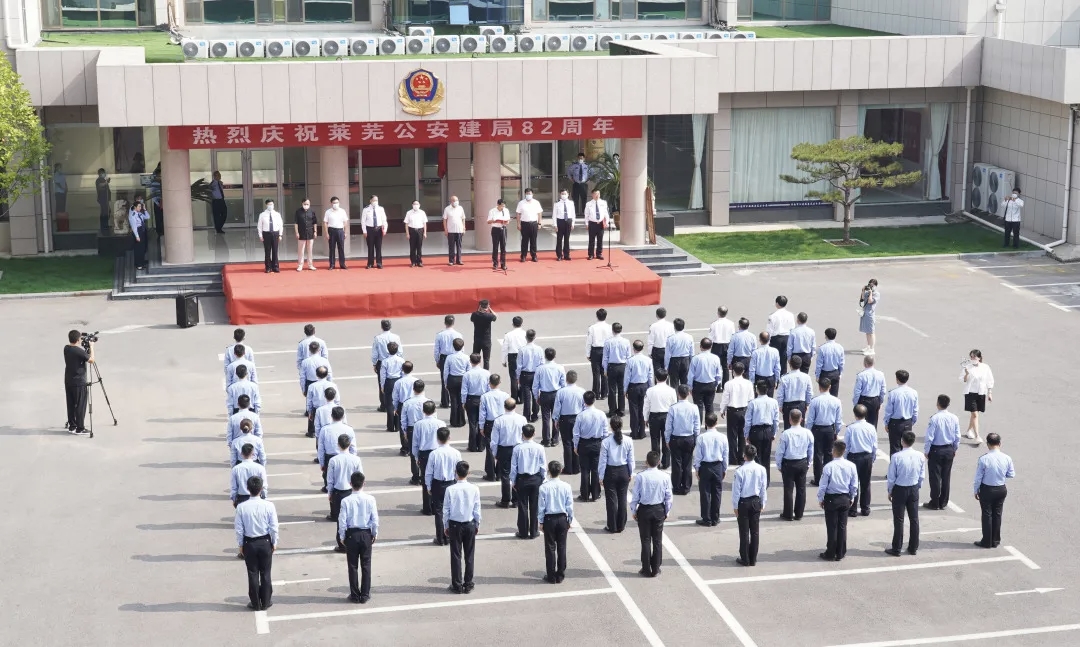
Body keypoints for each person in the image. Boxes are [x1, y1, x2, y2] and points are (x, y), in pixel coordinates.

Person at [234, 476, 278, 611]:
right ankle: (266, 601)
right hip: (265, 541)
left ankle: (255, 602)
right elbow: (274, 526)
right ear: (261, 488)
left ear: (248, 489)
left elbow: (239, 529)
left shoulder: (241, 507)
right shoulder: (269, 505)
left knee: (252, 573)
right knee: (266, 573)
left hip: (249, 542)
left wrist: (240, 544)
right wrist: (274, 542)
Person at [630, 451, 673, 577]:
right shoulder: (665, 477)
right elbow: (668, 497)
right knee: (658, 540)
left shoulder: (640, 476)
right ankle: (656, 568)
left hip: (644, 510)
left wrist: (633, 510)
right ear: (659, 462)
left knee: (645, 540)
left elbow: (635, 496)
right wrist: (667, 511)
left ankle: (645, 568)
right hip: (659, 509)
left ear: (646, 462)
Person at [338, 471, 378, 604]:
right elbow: (375, 519)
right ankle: (365, 594)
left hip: (351, 534)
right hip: (366, 533)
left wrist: (342, 536)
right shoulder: (370, 499)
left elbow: (342, 521)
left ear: (350, 484)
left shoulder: (345, 501)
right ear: (363, 483)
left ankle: (355, 594)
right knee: (366, 565)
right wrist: (374, 533)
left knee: (352, 565)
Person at [817, 441, 859, 561]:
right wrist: (852, 497)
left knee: (832, 527)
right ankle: (841, 552)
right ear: (844, 451)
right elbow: (854, 484)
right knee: (842, 526)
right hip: (845, 497)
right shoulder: (851, 466)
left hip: (831, 499)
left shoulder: (828, 467)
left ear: (833, 451)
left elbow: (823, 486)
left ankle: (830, 552)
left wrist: (820, 499)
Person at [443, 461, 481, 594]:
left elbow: (446, 510)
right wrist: (477, 523)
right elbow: (477, 508)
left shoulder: (450, 489)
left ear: (455, 473)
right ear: (468, 473)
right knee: (469, 555)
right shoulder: (474, 488)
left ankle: (457, 584)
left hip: (454, 524)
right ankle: (468, 583)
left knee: (456, 555)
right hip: (469, 523)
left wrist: (446, 525)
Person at [885, 430, 924, 556]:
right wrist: (917, 486)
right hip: (913, 488)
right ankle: (913, 547)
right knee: (914, 519)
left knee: (899, 519)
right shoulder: (920, 455)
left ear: (902, 441)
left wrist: (890, 491)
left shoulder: (896, 457)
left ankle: (897, 548)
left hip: (900, 489)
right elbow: (921, 475)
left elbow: (891, 477)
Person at [974, 433, 1015, 548]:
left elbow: (978, 478)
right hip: (1001, 489)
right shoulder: (1007, 458)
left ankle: (986, 541)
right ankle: (995, 540)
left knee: (987, 515)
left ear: (987, 444)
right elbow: (1011, 474)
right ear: (1000, 444)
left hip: (987, 489)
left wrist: (976, 490)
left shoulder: (984, 458)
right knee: (997, 514)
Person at [537, 460, 574, 583]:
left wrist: (541, 522)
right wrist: (570, 520)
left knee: (550, 548)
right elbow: (570, 505)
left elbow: (541, 507)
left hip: (549, 519)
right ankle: (561, 573)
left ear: (549, 471)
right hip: (562, 518)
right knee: (562, 546)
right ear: (561, 471)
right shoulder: (566, 486)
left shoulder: (543, 488)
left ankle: (551, 575)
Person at [426, 427, 463, 545]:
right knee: (451, 511)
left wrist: (428, 486)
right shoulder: (456, 453)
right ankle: (451, 536)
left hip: (438, 484)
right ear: (449, 438)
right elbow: (460, 470)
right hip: (452, 482)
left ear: (437, 439)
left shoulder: (434, 454)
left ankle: (441, 538)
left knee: (439, 512)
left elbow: (429, 472)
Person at [732, 445, 767, 566]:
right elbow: (763, 488)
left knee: (744, 532)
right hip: (756, 501)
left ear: (744, 455)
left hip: (744, 502)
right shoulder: (761, 469)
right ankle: (753, 558)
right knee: (755, 531)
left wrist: (735, 506)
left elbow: (736, 491)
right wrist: (763, 502)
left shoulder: (740, 470)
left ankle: (745, 558)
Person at [775, 409, 813, 521]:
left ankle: (788, 514)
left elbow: (780, 452)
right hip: (802, 462)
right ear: (801, 419)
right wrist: (809, 463)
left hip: (789, 463)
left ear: (790, 419)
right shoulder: (808, 433)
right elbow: (811, 450)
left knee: (788, 489)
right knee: (801, 489)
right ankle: (799, 513)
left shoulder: (786, 434)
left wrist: (779, 465)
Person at [924, 394, 960, 511]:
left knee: (935, 477)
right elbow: (957, 436)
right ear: (948, 404)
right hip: (949, 449)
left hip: (936, 449)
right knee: (946, 476)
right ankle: (943, 502)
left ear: (937, 404)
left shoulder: (934, 418)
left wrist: (927, 450)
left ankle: (935, 502)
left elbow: (929, 436)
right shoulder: (954, 418)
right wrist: (954, 448)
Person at [510, 424, 546, 539]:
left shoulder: (517, 448)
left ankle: (523, 532)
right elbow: (543, 465)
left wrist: (513, 481)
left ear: (522, 434)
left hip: (522, 479)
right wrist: (543, 479)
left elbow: (514, 467)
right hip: (536, 478)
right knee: (535, 505)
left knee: (523, 506)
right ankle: (534, 531)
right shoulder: (540, 448)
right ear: (534, 434)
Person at [599, 417, 634, 533]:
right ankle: (621, 525)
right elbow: (631, 459)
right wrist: (631, 472)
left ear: (611, 427)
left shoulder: (606, 442)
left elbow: (603, 461)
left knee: (611, 500)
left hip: (610, 472)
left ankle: (612, 525)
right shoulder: (628, 441)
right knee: (622, 499)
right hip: (623, 470)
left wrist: (601, 476)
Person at [694, 413, 729, 526]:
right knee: (717, 492)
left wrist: (697, 468)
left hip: (705, 466)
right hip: (718, 466)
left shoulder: (701, 438)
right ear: (716, 423)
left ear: (705, 423)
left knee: (705, 493)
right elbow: (725, 455)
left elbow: (698, 456)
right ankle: (715, 517)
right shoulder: (723, 437)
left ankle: (706, 518)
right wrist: (725, 468)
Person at [806, 377, 843, 486]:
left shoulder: (815, 401)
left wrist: (808, 432)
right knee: (829, 454)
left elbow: (811, 419)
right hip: (830, 429)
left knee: (817, 455)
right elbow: (838, 420)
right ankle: (829, 478)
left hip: (817, 429)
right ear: (830, 387)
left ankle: (818, 479)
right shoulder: (836, 401)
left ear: (819, 387)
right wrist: (837, 431)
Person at [573, 391, 609, 502]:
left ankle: (584, 495)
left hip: (584, 443)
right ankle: (595, 493)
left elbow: (576, 433)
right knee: (595, 469)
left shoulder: (580, 415)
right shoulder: (601, 414)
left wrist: (575, 446)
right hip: (597, 443)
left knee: (584, 470)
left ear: (584, 401)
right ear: (594, 400)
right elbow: (605, 432)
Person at [491, 398, 526, 508]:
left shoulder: (499, 421)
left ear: (504, 407)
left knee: (505, 475)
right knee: (518, 473)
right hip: (519, 448)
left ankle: (505, 500)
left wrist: (495, 453)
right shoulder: (522, 419)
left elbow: (494, 441)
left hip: (504, 449)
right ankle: (516, 500)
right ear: (515, 406)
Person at [665, 385, 700, 495]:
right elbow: (697, 425)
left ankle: (676, 486)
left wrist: (667, 439)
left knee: (676, 464)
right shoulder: (694, 407)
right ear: (689, 393)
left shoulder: (673, 408)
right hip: (689, 438)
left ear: (678, 394)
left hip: (676, 438)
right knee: (687, 463)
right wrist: (696, 438)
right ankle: (686, 486)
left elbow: (668, 426)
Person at [843, 404, 877, 517]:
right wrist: (872, 458)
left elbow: (846, 446)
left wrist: (845, 458)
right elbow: (874, 446)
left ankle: (852, 509)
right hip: (867, 457)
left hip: (854, 457)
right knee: (866, 484)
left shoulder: (851, 428)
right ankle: (865, 508)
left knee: (853, 483)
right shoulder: (871, 428)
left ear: (855, 414)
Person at [326, 433, 364, 534]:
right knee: (353, 517)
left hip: (338, 492)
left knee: (340, 519)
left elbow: (330, 479)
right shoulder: (356, 459)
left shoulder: (333, 460)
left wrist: (330, 493)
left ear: (338, 445)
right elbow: (360, 477)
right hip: (352, 490)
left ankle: (341, 542)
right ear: (349, 444)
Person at [744, 380, 780, 485]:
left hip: (756, 431)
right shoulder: (773, 402)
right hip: (768, 430)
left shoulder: (752, 403)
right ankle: (766, 480)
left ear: (757, 390)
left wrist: (746, 434)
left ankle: (757, 480)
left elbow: (748, 421)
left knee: (756, 456)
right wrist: (773, 433)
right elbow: (776, 420)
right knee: (766, 457)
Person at [412, 402, 444, 514]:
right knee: (437, 479)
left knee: (426, 480)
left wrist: (416, 456)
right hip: (438, 452)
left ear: (423, 411)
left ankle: (427, 508)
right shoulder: (441, 423)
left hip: (424, 454)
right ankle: (437, 506)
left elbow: (415, 443)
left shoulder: (418, 424)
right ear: (435, 410)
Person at [553, 370, 587, 475]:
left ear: (566, 379)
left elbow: (557, 408)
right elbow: (584, 407)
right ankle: (577, 467)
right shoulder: (582, 391)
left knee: (567, 443)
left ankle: (568, 468)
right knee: (577, 442)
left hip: (565, 419)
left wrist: (556, 419)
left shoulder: (561, 392)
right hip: (578, 418)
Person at [643, 368, 678, 469]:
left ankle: (655, 462)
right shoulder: (671, 391)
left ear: (655, 378)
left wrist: (645, 418)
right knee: (666, 439)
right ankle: (666, 462)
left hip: (654, 416)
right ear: (667, 377)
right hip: (667, 416)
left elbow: (646, 406)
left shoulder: (650, 390)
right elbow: (674, 406)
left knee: (655, 440)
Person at [719, 362, 752, 466]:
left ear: (733, 371)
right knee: (743, 436)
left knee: (732, 436)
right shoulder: (748, 383)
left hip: (732, 411)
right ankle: (741, 457)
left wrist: (722, 410)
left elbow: (725, 398)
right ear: (743, 371)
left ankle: (733, 458)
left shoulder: (729, 384)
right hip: (744, 410)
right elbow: (751, 399)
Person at [478, 375, 511, 481]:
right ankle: (500, 473)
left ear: (489, 383)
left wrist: (481, 426)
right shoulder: (505, 395)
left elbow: (482, 413)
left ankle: (491, 474)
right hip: (503, 421)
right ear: (499, 382)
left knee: (490, 449)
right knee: (501, 446)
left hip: (490, 423)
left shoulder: (485, 396)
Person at [534, 347, 567, 447]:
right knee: (556, 417)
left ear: (545, 356)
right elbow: (563, 384)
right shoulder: (560, 367)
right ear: (555, 356)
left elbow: (535, 385)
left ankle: (546, 440)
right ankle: (555, 439)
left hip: (544, 394)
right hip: (556, 394)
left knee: (545, 418)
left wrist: (536, 396)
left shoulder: (540, 368)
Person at [318, 407, 355, 491]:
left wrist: (322, 463)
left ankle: (328, 489)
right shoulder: (349, 429)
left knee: (329, 477)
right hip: (346, 454)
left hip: (329, 456)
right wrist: (353, 457)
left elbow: (321, 448)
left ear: (331, 416)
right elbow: (353, 446)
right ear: (343, 416)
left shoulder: (324, 429)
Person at [882, 369, 919, 455]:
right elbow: (915, 410)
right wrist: (911, 422)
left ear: (897, 379)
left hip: (895, 423)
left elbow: (889, 410)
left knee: (895, 448)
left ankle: (895, 467)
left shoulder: (893, 393)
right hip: (907, 422)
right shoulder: (913, 392)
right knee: (906, 447)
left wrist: (886, 423)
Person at [64, 330, 93, 435]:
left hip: (68, 380)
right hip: (79, 382)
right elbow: (91, 360)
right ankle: (80, 428)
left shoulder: (66, 348)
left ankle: (72, 426)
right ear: (77, 340)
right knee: (80, 404)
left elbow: (81, 355)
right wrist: (92, 347)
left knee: (71, 404)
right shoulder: (78, 351)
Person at [962, 350, 994, 442]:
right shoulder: (967, 367)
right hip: (970, 393)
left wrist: (990, 392)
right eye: (971, 357)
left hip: (981, 393)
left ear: (979, 358)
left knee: (974, 415)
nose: (972, 359)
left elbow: (989, 380)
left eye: (974, 357)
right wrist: (967, 374)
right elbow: (963, 379)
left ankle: (968, 431)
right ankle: (977, 436)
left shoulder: (985, 367)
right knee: (975, 414)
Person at [401, 381, 429, 487]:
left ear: (413, 389)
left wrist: (404, 431)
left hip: (412, 428)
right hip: (425, 427)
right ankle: (424, 476)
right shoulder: (428, 401)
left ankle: (416, 477)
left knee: (414, 454)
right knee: (426, 451)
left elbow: (403, 419)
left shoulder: (407, 403)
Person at [624, 341, 654, 440]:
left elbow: (627, 377)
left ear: (634, 348)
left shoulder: (630, 360)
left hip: (633, 387)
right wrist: (651, 388)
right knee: (643, 410)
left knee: (634, 411)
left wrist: (625, 389)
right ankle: (642, 432)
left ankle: (634, 432)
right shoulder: (648, 360)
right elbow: (650, 375)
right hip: (644, 386)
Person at [461, 356, 491, 453]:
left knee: (472, 424)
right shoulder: (486, 373)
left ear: (470, 361)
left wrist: (463, 402)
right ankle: (481, 446)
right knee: (482, 422)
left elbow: (464, 390)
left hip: (471, 399)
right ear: (480, 361)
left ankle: (472, 446)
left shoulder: (467, 374)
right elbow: (489, 388)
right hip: (483, 398)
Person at [689, 338, 723, 420]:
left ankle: (698, 427)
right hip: (711, 384)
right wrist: (716, 384)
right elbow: (719, 374)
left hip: (698, 385)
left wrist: (690, 387)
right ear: (711, 346)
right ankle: (710, 426)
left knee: (698, 407)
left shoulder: (696, 358)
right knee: (709, 406)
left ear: (700, 346)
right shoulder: (715, 358)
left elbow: (691, 374)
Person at [434, 315, 463, 409]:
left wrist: (437, 360)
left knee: (444, 379)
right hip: (455, 356)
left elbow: (436, 350)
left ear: (445, 323)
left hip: (444, 357)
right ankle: (456, 399)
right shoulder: (458, 334)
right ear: (453, 323)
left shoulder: (440, 335)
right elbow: (462, 348)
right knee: (455, 376)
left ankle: (445, 401)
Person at [603, 323, 632, 416]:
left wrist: (605, 369)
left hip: (612, 366)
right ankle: (622, 410)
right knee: (621, 389)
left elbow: (605, 357)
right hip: (623, 366)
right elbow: (629, 357)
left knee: (611, 390)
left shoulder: (608, 342)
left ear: (612, 330)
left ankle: (612, 410)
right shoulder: (626, 341)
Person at [776, 356, 812, 430]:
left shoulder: (784, 378)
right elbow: (809, 393)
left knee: (788, 428)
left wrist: (780, 406)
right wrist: (807, 404)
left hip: (788, 405)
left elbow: (780, 394)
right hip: (801, 404)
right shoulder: (806, 377)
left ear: (790, 364)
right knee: (800, 427)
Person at [586, 310, 614, 401]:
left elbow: (589, 342)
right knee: (605, 373)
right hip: (606, 350)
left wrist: (588, 353)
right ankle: (604, 393)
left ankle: (596, 394)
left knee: (596, 373)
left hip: (595, 351)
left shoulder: (592, 328)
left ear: (597, 316)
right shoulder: (610, 327)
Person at [516, 330, 544, 423]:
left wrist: (517, 377)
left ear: (526, 337)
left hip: (525, 374)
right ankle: (535, 414)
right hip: (536, 374)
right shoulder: (539, 349)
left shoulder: (522, 350)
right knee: (536, 395)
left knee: (526, 397)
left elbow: (519, 365)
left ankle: (526, 416)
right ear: (534, 337)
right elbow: (542, 363)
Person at [443, 338, 470, 428]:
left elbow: (446, 371)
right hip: (462, 379)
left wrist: (446, 383)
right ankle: (461, 420)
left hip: (452, 379)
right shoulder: (466, 357)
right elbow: (468, 370)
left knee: (453, 401)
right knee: (461, 400)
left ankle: (454, 421)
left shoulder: (449, 357)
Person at [853, 355, 887, 429]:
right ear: (874, 363)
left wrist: (855, 404)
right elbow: (883, 390)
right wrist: (880, 401)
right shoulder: (880, 374)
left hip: (864, 400)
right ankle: (872, 438)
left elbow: (857, 391)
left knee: (862, 422)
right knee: (873, 423)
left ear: (864, 363)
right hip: (875, 399)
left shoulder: (861, 375)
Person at [709, 306, 736, 389]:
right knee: (726, 367)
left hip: (716, 346)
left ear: (718, 313)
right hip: (727, 345)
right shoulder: (731, 323)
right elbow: (733, 335)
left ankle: (717, 385)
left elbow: (710, 337)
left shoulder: (714, 324)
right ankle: (725, 385)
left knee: (716, 366)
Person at [501, 316, 527, 401]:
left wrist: (503, 360)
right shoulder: (525, 333)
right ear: (522, 324)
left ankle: (514, 397)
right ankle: (522, 397)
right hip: (523, 355)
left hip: (512, 356)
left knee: (513, 377)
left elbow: (505, 348)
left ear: (513, 324)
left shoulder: (508, 335)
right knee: (522, 376)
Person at [766, 296, 796, 371]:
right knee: (784, 360)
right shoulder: (791, 315)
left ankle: (775, 377)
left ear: (777, 303)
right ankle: (783, 375)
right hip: (787, 338)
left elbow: (769, 330)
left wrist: (767, 342)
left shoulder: (773, 315)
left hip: (776, 339)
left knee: (774, 359)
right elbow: (792, 328)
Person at [814, 328, 845, 397]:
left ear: (826, 336)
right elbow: (841, 363)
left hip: (824, 374)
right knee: (834, 396)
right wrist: (840, 373)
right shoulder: (840, 347)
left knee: (824, 394)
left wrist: (817, 376)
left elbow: (819, 364)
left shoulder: (822, 348)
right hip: (835, 373)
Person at [663, 319, 694, 388]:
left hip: (674, 361)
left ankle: (676, 398)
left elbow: (667, 355)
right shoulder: (689, 337)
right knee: (685, 381)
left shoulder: (671, 338)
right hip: (686, 360)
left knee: (674, 383)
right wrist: (691, 363)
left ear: (674, 327)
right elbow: (692, 353)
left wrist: (666, 367)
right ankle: (684, 397)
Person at [748, 332, 781, 398]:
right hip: (770, 378)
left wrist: (752, 381)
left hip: (759, 378)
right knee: (769, 399)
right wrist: (777, 379)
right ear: (769, 340)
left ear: (760, 340)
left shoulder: (755, 352)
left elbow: (752, 369)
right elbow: (777, 368)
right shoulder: (775, 351)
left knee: (758, 398)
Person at [516, 188, 543, 263]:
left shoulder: (536, 202)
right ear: (525, 194)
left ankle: (534, 256)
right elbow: (518, 213)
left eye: (530, 193)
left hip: (534, 223)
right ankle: (523, 256)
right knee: (524, 240)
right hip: (524, 223)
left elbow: (539, 213)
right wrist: (518, 223)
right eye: (527, 194)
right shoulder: (521, 203)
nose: (528, 195)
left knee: (533, 240)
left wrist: (539, 223)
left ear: (532, 194)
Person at [360, 195, 388, 269]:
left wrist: (385, 229)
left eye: (376, 200)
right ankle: (370, 263)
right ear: (370, 201)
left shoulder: (381, 209)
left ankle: (379, 263)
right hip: (369, 229)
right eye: (374, 200)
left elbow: (384, 220)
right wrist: (364, 231)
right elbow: (363, 221)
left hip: (378, 229)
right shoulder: (366, 209)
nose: (375, 202)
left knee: (378, 247)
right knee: (370, 247)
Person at [257, 199, 283, 273]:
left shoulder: (277, 214)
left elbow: (280, 225)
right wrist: (260, 235)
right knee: (267, 251)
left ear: (273, 205)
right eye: (269, 204)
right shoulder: (262, 215)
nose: (270, 206)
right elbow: (259, 226)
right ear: (266, 205)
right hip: (266, 234)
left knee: (275, 250)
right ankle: (268, 267)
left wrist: (280, 234)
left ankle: (275, 267)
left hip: (275, 233)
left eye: (271, 204)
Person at [323, 196, 349, 270]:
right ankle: (332, 264)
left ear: (339, 203)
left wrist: (345, 232)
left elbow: (345, 222)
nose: (336, 204)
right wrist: (327, 233)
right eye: (334, 203)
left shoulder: (342, 211)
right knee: (332, 248)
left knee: (341, 248)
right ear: (331, 203)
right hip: (331, 231)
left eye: (337, 202)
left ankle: (342, 264)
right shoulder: (328, 212)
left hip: (340, 231)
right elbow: (325, 223)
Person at [470, 300, 497, 369]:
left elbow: (472, 319)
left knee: (475, 358)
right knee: (486, 360)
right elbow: (495, 316)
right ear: (487, 306)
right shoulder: (489, 316)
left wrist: (478, 310)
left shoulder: (475, 314)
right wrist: (490, 309)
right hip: (486, 341)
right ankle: (486, 375)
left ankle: (474, 371)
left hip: (477, 340)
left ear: (480, 306)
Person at [647, 307, 676, 372]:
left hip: (656, 350)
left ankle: (658, 381)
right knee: (666, 369)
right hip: (667, 349)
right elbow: (673, 339)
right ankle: (666, 382)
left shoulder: (653, 326)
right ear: (665, 315)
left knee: (657, 370)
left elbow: (650, 341)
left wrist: (649, 352)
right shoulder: (671, 325)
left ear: (656, 315)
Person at [583, 189, 609, 260]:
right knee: (591, 240)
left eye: (598, 194)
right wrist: (586, 223)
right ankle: (591, 254)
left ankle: (599, 254)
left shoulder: (603, 202)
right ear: (592, 195)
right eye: (595, 194)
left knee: (600, 239)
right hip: (592, 223)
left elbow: (606, 213)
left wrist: (607, 222)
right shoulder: (589, 204)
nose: (597, 195)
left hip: (600, 224)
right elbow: (586, 214)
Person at [294, 198, 318, 271]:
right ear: (302, 203)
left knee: (310, 250)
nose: (306, 205)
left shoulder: (312, 211)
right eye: (305, 204)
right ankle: (300, 265)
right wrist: (297, 232)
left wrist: (315, 231)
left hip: (310, 232)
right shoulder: (298, 211)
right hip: (301, 233)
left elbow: (315, 222)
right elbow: (296, 223)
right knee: (301, 250)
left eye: (308, 204)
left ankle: (310, 265)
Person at [488, 199, 511, 270]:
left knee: (503, 247)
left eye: (504, 206)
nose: (502, 207)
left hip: (503, 229)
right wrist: (495, 220)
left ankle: (503, 264)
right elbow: (488, 221)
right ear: (498, 204)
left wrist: (506, 222)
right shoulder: (492, 211)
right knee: (495, 247)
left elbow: (508, 221)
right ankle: (495, 263)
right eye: (501, 206)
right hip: (495, 229)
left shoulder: (506, 210)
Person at [552, 188, 575, 261]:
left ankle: (566, 255)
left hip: (568, 221)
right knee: (559, 239)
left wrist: (573, 223)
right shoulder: (557, 204)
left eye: (565, 194)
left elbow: (573, 214)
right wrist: (555, 225)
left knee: (567, 239)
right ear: (560, 194)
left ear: (568, 194)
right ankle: (559, 255)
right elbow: (554, 215)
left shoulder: (571, 203)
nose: (563, 195)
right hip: (560, 221)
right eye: (562, 194)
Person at [443, 195, 466, 266]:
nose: (456, 202)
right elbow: (444, 219)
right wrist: (445, 229)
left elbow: (463, 218)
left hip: (459, 230)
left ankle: (459, 260)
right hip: (451, 230)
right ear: (451, 201)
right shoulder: (447, 209)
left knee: (459, 245)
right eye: (454, 200)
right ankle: (451, 261)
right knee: (451, 246)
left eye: (457, 200)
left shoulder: (460, 208)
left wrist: (464, 228)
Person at [859, 279, 880, 354]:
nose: (870, 286)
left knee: (871, 332)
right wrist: (863, 290)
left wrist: (871, 293)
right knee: (867, 331)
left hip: (870, 314)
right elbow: (862, 299)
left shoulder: (876, 294)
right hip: (865, 313)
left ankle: (872, 349)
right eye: (869, 284)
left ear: (875, 286)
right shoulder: (867, 292)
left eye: (872, 285)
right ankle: (868, 346)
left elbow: (870, 301)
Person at [404, 199, 428, 267]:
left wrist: (425, 232)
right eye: (414, 204)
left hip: (420, 230)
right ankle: (413, 262)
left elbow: (424, 223)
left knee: (419, 247)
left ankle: (419, 261)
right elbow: (406, 224)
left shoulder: (422, 212)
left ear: (419, 205)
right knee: (412, 247)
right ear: (412, 205)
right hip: (412, 230)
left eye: (417, 204)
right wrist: (407, 233)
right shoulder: (409, 213)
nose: (416, 205)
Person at [568, 151, 590, 217]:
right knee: (575, 198)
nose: (580, 159)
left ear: (584, 158)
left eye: (582, 158)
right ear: (577, 158)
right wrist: (571, 179)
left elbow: (591, 173)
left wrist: (589, 180)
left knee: (584, 198)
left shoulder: (587, 166)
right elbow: (569, 171)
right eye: (579, 158)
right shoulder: (574, 165)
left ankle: (584, 212)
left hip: (584, 183)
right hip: (576, 183)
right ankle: (576, 212)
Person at [129, 201, 150, 270]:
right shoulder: (133, 215)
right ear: (135, 207)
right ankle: (138, 264)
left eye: (140, 206)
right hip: (138, 231)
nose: (140, 208)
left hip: (143, 230)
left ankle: (142, 262)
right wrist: (137, 236)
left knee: (143, 248)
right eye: (139, 206)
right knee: (138, 249)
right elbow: (134, 227)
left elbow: (147, 217)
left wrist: (145, 209)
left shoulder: (140, 213)